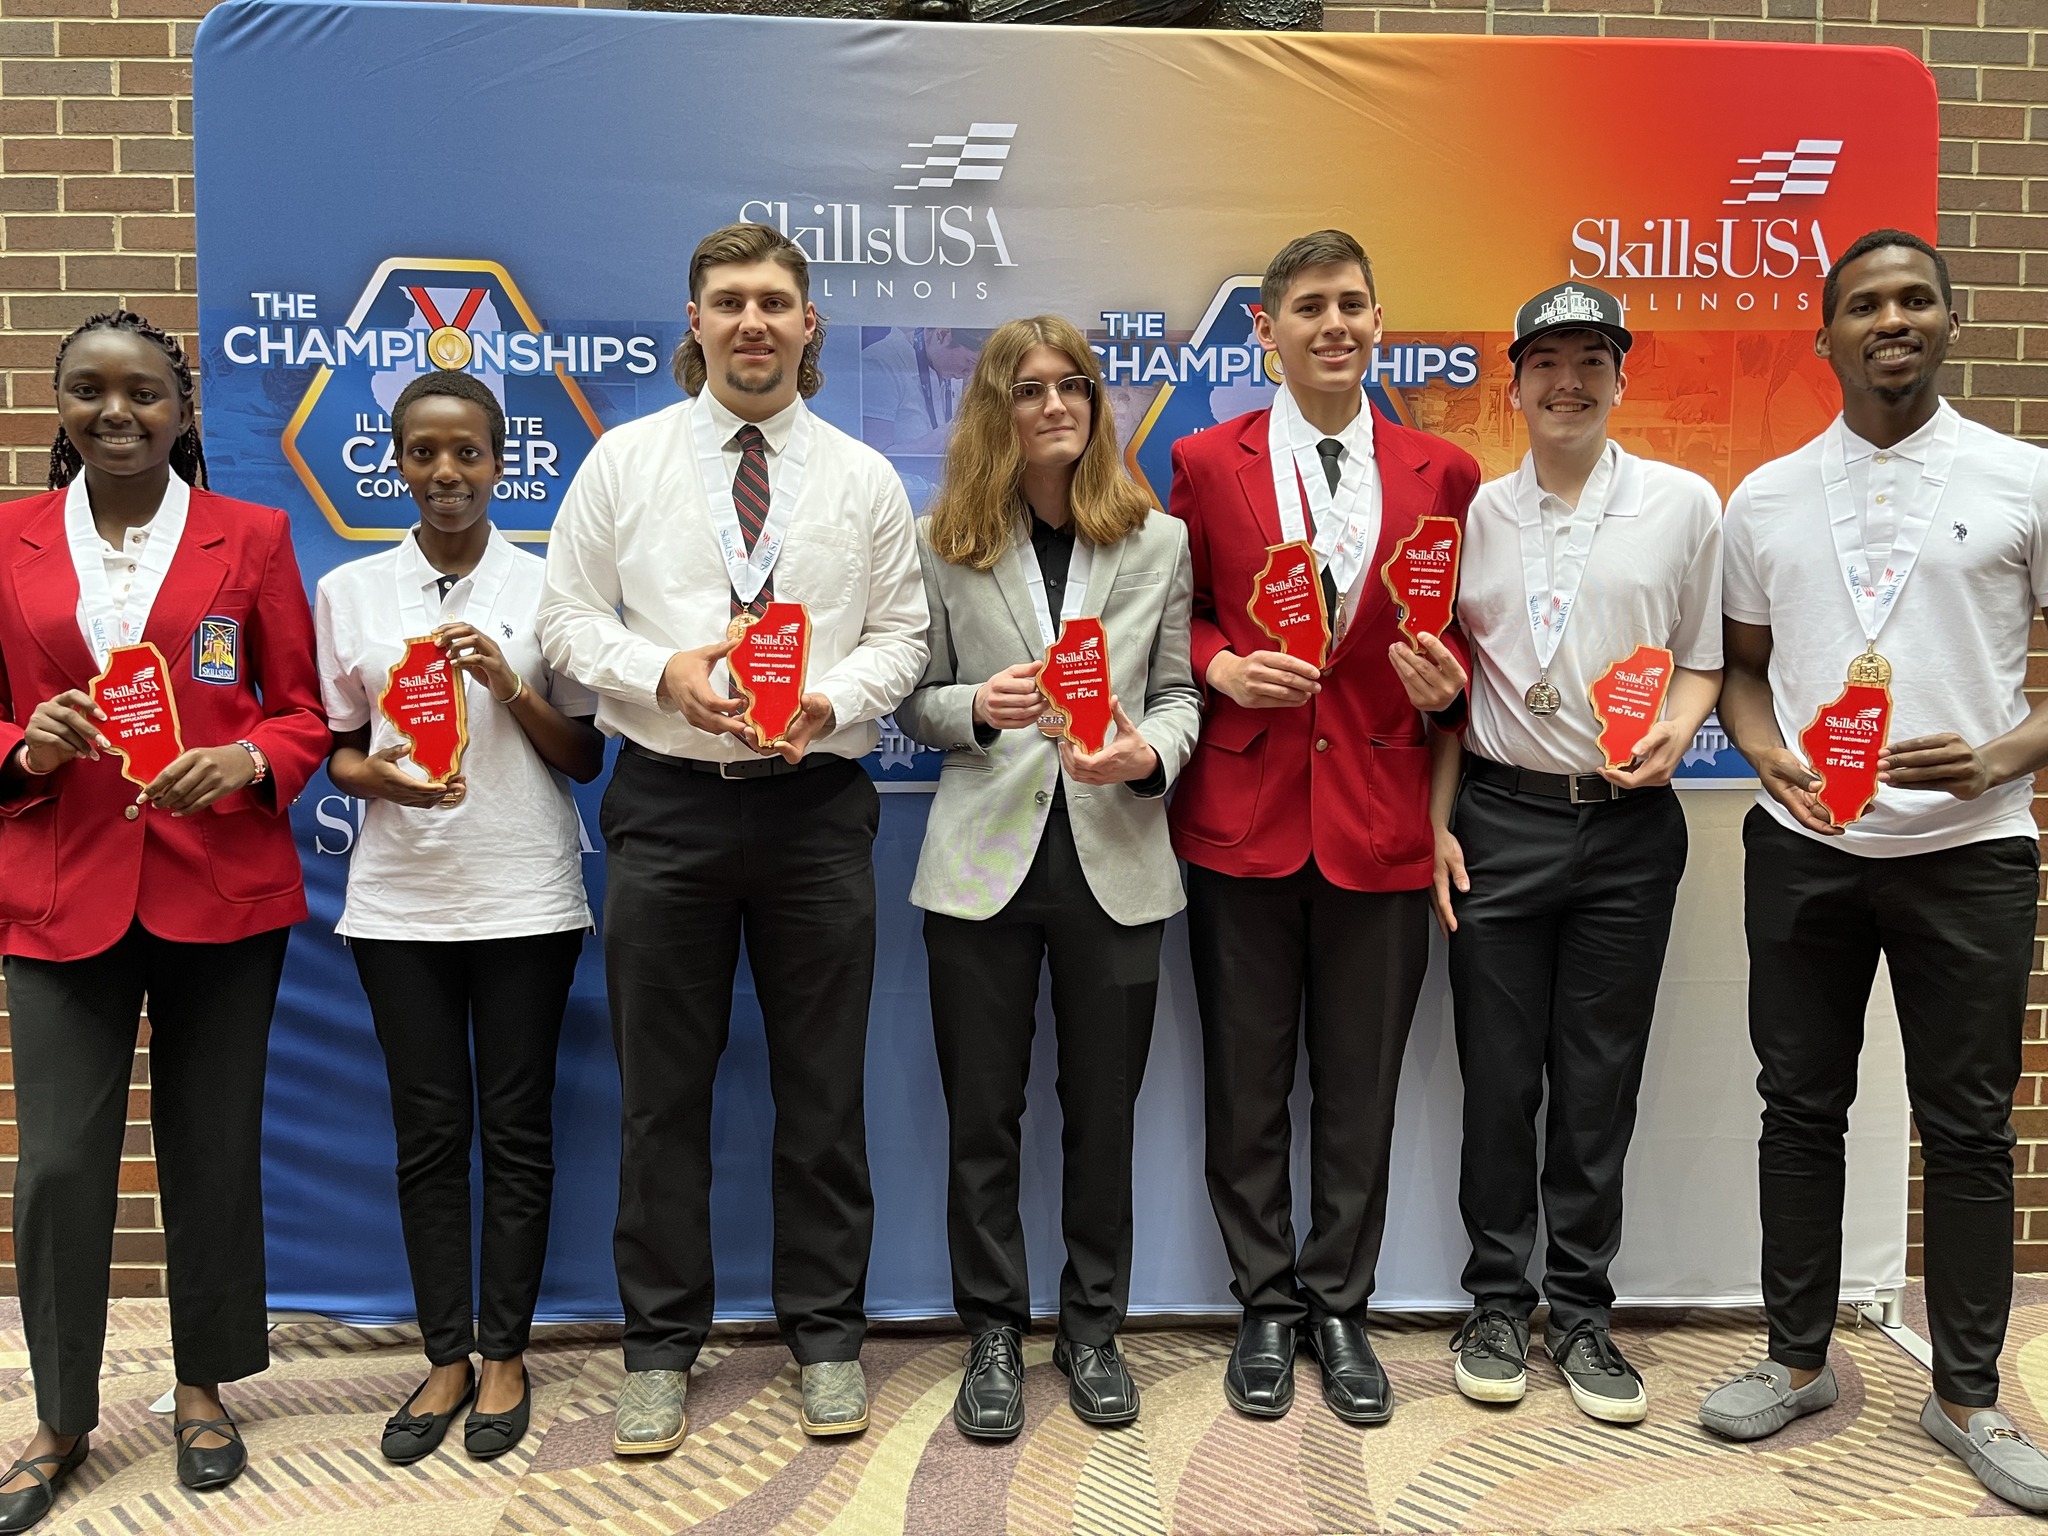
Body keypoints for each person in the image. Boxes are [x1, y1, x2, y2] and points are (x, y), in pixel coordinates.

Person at [538, 222, 928, 1454]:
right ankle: (659, 1345)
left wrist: (836, 699)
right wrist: (664, 670)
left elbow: (904, 639)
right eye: (727, 303)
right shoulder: (624, 460)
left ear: (808, 326)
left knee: (820, 1091)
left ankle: (825, 1336)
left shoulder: (862, 476)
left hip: (816, 807)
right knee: (663, 1095)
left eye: (774, 302)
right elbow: (560, 625)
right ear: (694, 322)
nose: (751, 322)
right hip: (667, 802)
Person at [1700, 229, 2048, 1511]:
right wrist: (1762, 755)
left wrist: (2007, 749)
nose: (1888, 320)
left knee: (1962, 1130)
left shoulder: (2022, 478)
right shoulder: (1766, 496)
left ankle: (1967, 1396)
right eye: (1862, 305)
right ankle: (1794, 1362)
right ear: (1826, 335)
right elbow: (1739, 667)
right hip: (1803, 852)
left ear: (1949, 322)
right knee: (1798, 1110)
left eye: (1912, 300)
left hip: (1970, 856)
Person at [0, 312, 329, 1532]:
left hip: (218, 888)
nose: (117, 412)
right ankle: (62, 1414)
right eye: (89, 392)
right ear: (61, 406)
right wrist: (24, 744)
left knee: (211, 1144)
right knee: (62, 1165)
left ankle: (202, 1386)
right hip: (58, 888)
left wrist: (244, 757)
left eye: (142, 393)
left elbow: (299, 710)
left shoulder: (253, 537)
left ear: (182, 412)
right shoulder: (5, 541)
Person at [1168, 230, 1476, 1425]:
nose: (1332, 324)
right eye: (1308, 307)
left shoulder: (1439, 470)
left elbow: (1462, 641)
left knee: (1359, 1087)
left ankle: (1338, 1306)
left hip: (1383, 814)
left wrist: (1446, 680)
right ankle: (1263, 1302)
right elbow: (1173, 619)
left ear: (1378, 318)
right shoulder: (1204, 461)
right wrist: (1224, 664)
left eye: (1350, 303)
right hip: (1242, 817)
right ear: (1267, 330)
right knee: (1246, 1086)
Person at [894, 316, 1202, 1439]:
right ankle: (990, 1335)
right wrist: (975, 706)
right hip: (981, 868)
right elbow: (913, 697)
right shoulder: (945, 540)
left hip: (1113, 860)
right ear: (995, 408)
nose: (1054, 405)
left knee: (1100, 1117)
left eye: (1071, 385)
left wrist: (1149, 754)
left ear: (1094, 403)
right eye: (1027, 389)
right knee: (984, 1115)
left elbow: (1178, 695)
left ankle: (1090, 1331)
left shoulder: (1154, 541)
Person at [1429, 283, 1723, 1422]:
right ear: (1511, 383)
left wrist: (1682, 723)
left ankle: (1584, 1312)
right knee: (1499, 1081)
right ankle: (1495, 1302)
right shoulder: (1471, 514)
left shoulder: (1682, 504)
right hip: (1497, 820)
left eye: (1589, 360)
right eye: (1544, 361)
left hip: (1624, 829)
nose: (1566, 382)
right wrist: (1436, 825)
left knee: (1598, 1082)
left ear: (1618, 377)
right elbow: (1447, 695)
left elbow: (1703, 657)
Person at [314, 369, 605, 1465]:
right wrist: (375, 779)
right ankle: (444, 1354)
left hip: (525, 895)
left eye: (468, 453)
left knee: (517, 1132)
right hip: (400, 905)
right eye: (424, 453)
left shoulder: (546, 591)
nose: (446, 473)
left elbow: (584, 756)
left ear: (500, 463)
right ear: (396, 464)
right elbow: (335, 747)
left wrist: (510, 687)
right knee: (429, 1134)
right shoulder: (350, 591)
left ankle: (505, 1352)